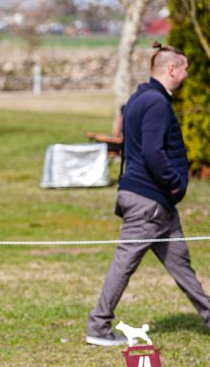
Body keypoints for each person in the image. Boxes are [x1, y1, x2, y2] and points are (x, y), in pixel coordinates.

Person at [86, 42, 210, 346]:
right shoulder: (156, 103)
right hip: (149, 202)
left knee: (181, 265)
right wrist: (174, 184)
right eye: (184, 70)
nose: (186, 76)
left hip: (156, 203)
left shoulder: (139, 98)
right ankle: (98, 326)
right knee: (124, 263)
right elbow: (153, 153)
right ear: (172, 69)